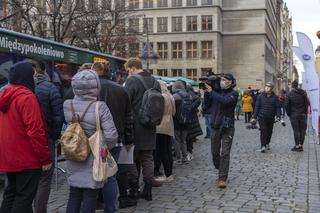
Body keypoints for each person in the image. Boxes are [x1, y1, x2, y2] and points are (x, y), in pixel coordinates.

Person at [0, 61, 52, 213]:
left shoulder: (6, 95)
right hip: (27, 156)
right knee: (24, 197)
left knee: (10, 194)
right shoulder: (27, 97)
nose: (36, 78)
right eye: (34, 75)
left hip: (10, 156)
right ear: (26, 77)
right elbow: (36, 130)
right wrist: (45, 158)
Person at [63, 69, 118, 213]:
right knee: (90, 194)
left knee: (74, 193)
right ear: (96, 86)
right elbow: (112, 135)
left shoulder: (68, 105)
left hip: (74, 152)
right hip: (93, 156)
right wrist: (103, 150)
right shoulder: (100, 107)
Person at [91, 62, 136, 211]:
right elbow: (128, 116)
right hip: (116, 139)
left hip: (93, 140)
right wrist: (128, 138)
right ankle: (114, 204)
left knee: (94, 171)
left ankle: (97, 202)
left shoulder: (89, 88)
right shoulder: (120, 89)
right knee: (113, 173)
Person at [124, 58, 162, 202]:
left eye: (128, 70)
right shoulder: (154, 81)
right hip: (150, 125)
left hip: (135, 125)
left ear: (133, 68)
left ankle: (134, 189)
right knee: (147, 157)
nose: (128, 73)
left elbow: (126, 102)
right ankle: (148, 190)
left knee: (130, 159)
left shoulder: (132, 81)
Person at [31, 60, 64, 213]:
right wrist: (55, 136)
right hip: (46, 138)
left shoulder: (18, 88)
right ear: (44, 71)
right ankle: (40, 210)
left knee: (29, 177)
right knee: (45, 178)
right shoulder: (51, 88)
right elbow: (58, 116)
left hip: (25, 140)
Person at [203, 74, 238, 189]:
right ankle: (220, 166)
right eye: (221, 80)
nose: (222, 81)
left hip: (228, 127)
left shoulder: (233, 94)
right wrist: (207, 94)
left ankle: (222, 178)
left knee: (225, 153)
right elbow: (206, 106)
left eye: (225, 80)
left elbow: (225, 102)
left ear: (230, 82)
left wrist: (212, 92)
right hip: (215, 126)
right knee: (214, 152)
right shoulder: (215, 93)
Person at [154, 81, 176, 182]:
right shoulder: (170, 95)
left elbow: (158, 111)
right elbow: (174, 112)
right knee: (167, 150)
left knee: (162, 151)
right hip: (169, 124)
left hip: (161, 125)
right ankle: (168, 172)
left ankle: (168, 174)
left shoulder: (161, 96)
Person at [251, 82, 281, 153]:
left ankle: (267, 143)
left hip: (271, 117)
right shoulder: (260, 96)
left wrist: (278, 115)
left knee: (269, 131)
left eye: (269, 87)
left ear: (271, 89)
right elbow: (257, 107)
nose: (267, 88)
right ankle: (263, 146)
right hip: (262, 117)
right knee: (263, 131)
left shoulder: (275, 97)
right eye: (266, 86)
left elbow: (277, 107)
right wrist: (254, 117)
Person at [285, 80, 308, 152]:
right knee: (302, 131)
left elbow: (287, 106)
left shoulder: (289, 94)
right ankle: (301, 145)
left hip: (294, 114)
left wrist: (289, 114)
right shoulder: (303, 93)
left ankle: (297, 145)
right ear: (297, 85)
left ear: (292, 86)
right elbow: (306, 104)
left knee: (296, 130)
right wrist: (305, 112)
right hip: (302, 114)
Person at [172, 81, 190, 164]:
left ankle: (179, 158)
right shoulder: (188, 95)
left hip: (176, 121)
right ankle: (185, 157)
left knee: (177, 140)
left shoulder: (175, 96)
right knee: (184, 140)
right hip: (186, 121)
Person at [186, 85, 203, 160]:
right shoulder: (192, 94)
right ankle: (189, 152)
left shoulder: (188, 94)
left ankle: (189, 152)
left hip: (190, 119)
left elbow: (197, 100)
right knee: (190, 137)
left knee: (188, 137)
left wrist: (191, 107)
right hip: (192, 119)